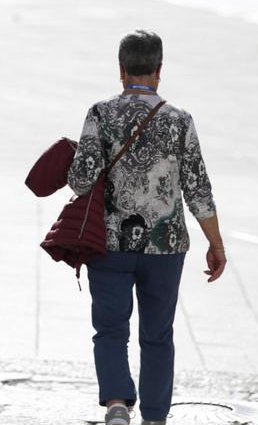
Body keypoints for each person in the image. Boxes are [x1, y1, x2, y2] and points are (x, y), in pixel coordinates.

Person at [68, 30, 226, 425]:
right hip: (166, 245)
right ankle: (155, 416)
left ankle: (118, 404)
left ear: (121, 70)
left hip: (109, 242)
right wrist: (215, 243)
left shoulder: (100, 114)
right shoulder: (179, 121)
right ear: (159, 71)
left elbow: (80, 180)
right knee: (157, 334)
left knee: (109, 328)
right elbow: (198, 188)